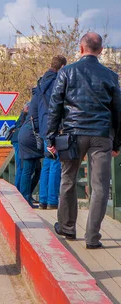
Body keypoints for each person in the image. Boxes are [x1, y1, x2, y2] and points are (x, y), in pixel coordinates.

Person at [47, 32, 121, 249]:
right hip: (101, 135)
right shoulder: (110, 76)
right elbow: (118, 111)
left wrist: (51, 136)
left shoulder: (66, 72)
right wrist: (116, 142)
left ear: (80, 49)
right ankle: (92, 237)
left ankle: (67, 227)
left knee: (67, 179)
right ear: (100, 51)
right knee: (99, 187)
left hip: (72, 134)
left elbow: (55, 106)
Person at [32, 55, 67, 209]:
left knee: (47, 162)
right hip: (56, 126)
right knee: (56, 162)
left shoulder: (40, 84)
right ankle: (53, 200)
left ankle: (43, 200)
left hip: (43, 126)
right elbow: (59, 105)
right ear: (61, 67)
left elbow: (33, 108)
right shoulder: (57, 82)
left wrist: (38, 129)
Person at [18, 88, 44, 208]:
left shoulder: (35, 100)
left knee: (32, 169)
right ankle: (24, 198)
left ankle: (26, 197)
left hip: (26, 136)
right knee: (28, 170)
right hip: (30, 137)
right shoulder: (41, 100)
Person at [10, 103, 29, 190]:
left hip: (18, 140)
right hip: (19, 140)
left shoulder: (23, 115)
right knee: (21, 166)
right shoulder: (26, 115)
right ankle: (18, 189)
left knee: (21, 166)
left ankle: (20, 189)